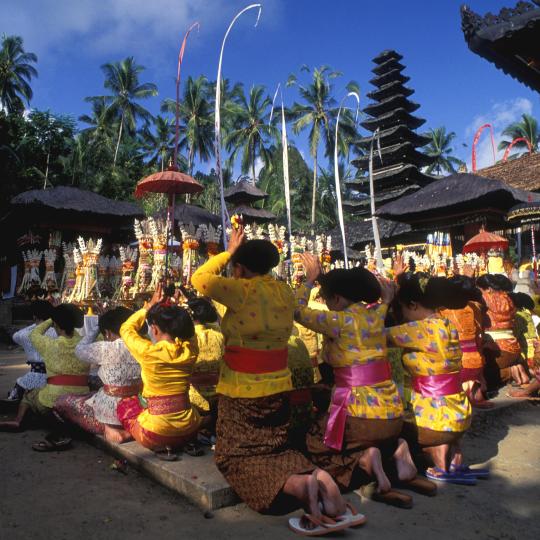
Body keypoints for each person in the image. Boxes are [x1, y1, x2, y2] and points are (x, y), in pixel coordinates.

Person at [192, 227, 363, 534]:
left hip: (241, 392)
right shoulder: (283, 290)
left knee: (235, 457)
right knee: (274, 448)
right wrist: (310, 280)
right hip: (278, 389)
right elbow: (300, 302)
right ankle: (316, 475)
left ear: (240, 268)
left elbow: (199, 278)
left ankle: (300, 486)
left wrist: (228, 252)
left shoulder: (240, 290)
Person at [295, 254, 429, 509]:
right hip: (392, 416)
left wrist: (309, 280)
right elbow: (384, 303)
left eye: (326, 297)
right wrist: (388, 297)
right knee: (363, 431)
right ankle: (397, 452)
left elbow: (297, 311)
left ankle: (368, 462)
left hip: (362, 417)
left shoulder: (339, 320)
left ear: (336, 299)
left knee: (314, 443)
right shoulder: (377, 315)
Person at [387, 273, 481, 485]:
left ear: (412, 305)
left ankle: (438, 454)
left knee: (392, 428)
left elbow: (374, 336)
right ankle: (454, 458)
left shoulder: (419, 329)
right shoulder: (446, 324)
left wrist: (383, 303)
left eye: (401, 308)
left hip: (435, 419)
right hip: (460, 414)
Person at [117, 284, 201, 460]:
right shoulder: (190, 350)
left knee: (125, 405)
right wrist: (177, 309)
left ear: (154, 329)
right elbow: (190, 332)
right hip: (191, 428)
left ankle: (159, 446)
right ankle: (183, 443)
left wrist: (148, 307)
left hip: (157, 433)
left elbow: (126, 329)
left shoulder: (149, 352)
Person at [0, 304, 88, 451]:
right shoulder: (84, 343)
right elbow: (97, 334)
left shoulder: (50, 345)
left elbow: (34, 334)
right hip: (81, 395)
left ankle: (18, 421)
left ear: (56, 324)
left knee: (30, 395)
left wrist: (50, 319)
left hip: (53, 398)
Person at [54, 307, 142, 443]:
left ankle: (111, 430)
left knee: (62, 401)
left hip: (113, 411)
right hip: (138, 406)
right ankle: (130, 428)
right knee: (93, 389)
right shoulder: (145, 346)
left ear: (107, 332)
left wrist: (95, 328)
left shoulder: (108, 348)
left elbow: (79, 349)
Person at [441, 275, 491, 408]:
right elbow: (480, 335)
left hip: (456, 364)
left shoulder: (441, 312)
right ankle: (473, 389)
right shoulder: (475, 307)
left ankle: (467, 390)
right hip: (476, 362)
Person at [477, 274, 527, 388]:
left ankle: (510, 372)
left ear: (488, 289)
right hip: (513, 348)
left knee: (480, 377)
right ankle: (518, 368)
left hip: (498, 350)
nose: (478, 292)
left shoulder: (484, 298)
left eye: (479, 289)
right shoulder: (510, 298)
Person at [5, 300, 56, 402]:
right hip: (54, 379)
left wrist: (35, 325)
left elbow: (15, 336)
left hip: (32, 378)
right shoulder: (57, 333)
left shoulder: (25, 335)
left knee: (21, 387)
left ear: (34, 316)